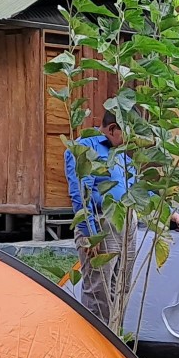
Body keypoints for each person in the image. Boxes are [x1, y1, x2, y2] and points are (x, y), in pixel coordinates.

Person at [65, 113, 131, 317]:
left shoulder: (120, 153)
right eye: (128, 132)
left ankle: (115, 344)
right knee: (99, 291)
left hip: (127, 220)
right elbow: (80, 193)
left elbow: (136, 187)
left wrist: (172, 215)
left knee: (121, 287)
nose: (131, 139)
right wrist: (89, 233)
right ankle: (94, 345)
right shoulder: (85, 147)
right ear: (112, 129)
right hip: (102, 222)